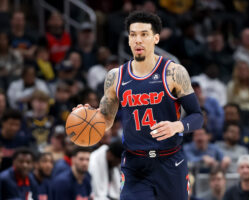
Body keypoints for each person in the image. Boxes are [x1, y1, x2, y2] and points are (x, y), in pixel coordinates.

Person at [74, 11, 203, 200]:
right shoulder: (115, 77)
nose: (138, 40)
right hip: (135, 163)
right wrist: (88, 118)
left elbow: (197, 116)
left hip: (170, 161)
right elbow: (106, 119)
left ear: (156, 38)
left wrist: (177, 126)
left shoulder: (174, 72)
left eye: (144, 34)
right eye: (133, 35)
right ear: (128, 40)